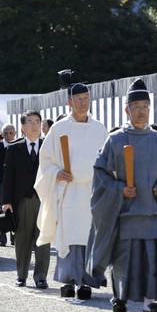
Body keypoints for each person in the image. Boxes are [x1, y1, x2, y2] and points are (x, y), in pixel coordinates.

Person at [86, 78, 157, 312]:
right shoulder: (115, 140)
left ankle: (150, 304)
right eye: (136, 107)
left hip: (153, 213)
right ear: (126, 110)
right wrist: (119, 189)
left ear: (150, 109)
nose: (141, 111)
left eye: (145, 107)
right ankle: (120, 299)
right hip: (126, 213)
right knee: (123, 259)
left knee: (153, 261)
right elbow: (100, 175)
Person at [35, 80, 108, 299]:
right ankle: (67, 280)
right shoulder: (59, 129)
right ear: (70, 102)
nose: (83, 103)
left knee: (89, 237)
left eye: (86, 98)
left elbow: (107, 159)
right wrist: (57, 173)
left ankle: (86, 282)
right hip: (67, 190)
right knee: (68, 237)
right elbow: (45, 160)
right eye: (78, 99)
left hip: (91, 192)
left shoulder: (99, 128)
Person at [2, 110, 50, 289]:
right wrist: (7, 202)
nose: (34, 125)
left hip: (43, 199)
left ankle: (41, 277)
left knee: (43, 239)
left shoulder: (48, 147)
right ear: (22, 128)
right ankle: (21, 275)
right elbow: (8, 177)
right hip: (22, 200)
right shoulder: (15, 148)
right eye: (30, 122)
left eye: (37, 121)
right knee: (22, 238)